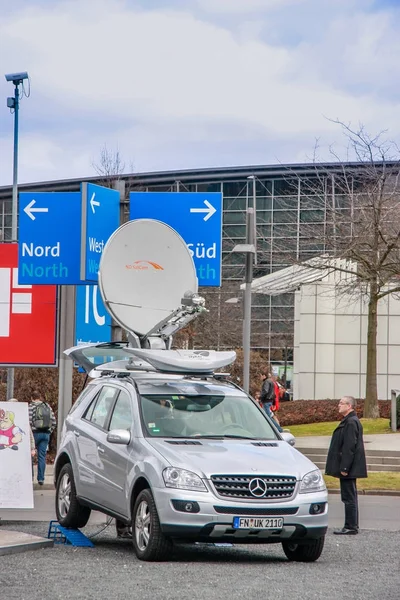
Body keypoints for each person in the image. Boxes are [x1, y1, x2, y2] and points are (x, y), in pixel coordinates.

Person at [325, 396, 367, 535]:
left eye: (341, 403)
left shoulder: (350, 422)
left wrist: (344, 468)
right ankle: (352, 525)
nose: (338, 405)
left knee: (348, 497)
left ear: (349, 406)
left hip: (348, 468)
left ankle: (350, 526)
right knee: (350, 496)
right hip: (349, 467)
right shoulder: (350, 421)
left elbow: (349, 447)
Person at [29, 390, 56, 486]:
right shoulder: (47, 406)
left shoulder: (31, 407)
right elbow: (54, 422)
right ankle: (41, 479)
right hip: (45, 434)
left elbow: (28, 422)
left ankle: (30, 477)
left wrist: (31, 434)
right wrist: (49, 432)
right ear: (40, 397)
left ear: (32, 398)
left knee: (30, 456)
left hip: (34, 434)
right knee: (42, 456)